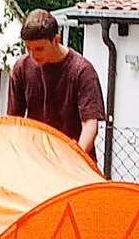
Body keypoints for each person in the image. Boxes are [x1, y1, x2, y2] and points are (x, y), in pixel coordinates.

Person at [8, 9, 105, 160]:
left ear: (56, 40)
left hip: (74, 161)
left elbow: (90, 125)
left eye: (39, 49)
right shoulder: (21, 68)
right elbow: (14, 122)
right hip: (37, 160)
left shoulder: (82, 70)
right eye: (28, 49)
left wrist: (76, 158)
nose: (33, 55)